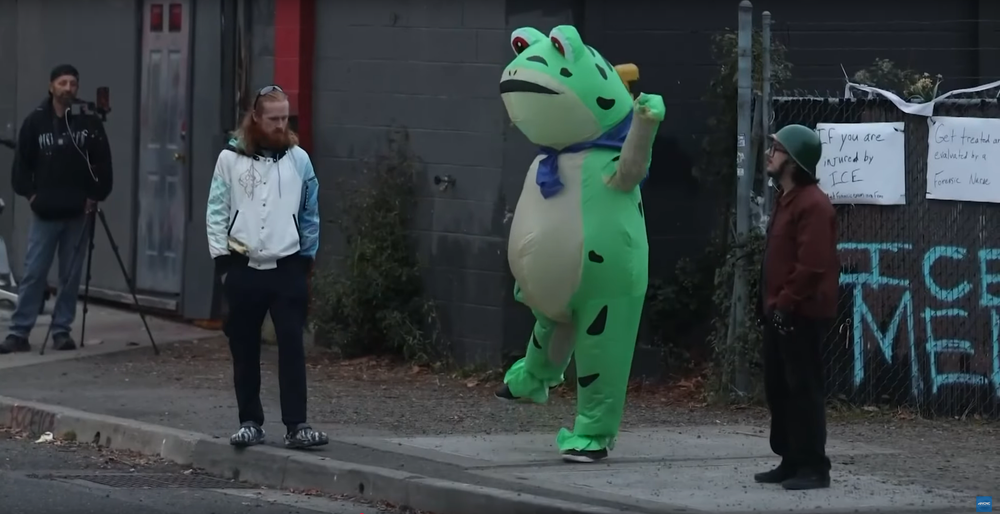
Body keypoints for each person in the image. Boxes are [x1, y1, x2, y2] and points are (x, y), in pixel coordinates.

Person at [495, 25, 663, 463]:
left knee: (599, 350)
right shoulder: (549, 160)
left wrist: (644, 126)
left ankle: (594, 431)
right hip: (557, 282)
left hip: (606, 278)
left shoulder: (608, 158)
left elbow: (631, 170)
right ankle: (534, 376)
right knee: (552, 321)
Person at [205, 85, 327, 449]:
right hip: (243, 266)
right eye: (272, 118)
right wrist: (222, 262)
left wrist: (307, 257)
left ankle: (296, 425)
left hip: (287, 266)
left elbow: (310, 212)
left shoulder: (299, 159)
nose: (279, 125)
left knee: (292, 346)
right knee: (244, 348)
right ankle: (250, 421)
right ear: (256, 118)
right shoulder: (230, 159)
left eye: (285, 118)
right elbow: (216, 210)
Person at [0, 64, 113, 354]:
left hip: (77, 212)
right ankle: (19, 332)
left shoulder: (86, 123)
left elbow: (102, 161)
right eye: (62, 82)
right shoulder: (35, 122)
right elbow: (21, 166)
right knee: (35, 272)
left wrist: (95, 195)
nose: (68, 88)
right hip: (45, 212)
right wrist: (31, 195)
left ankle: (61, 330)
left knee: (70, 275)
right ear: (51, 86)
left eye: (73, 83)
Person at [755, 124, 839, 490]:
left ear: (794, 161)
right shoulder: (786, 198)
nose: (770, 154)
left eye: (777, 149)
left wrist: (786, 303)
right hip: (780, 310)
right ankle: (790, 460)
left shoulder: (813, 204)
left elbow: (813, 264)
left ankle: (814, 467)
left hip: (800, 313)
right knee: (780, 387)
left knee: (803, 389)